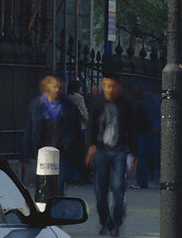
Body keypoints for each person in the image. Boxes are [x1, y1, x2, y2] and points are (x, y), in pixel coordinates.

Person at [85, 70, 143, 237]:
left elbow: (132, 131)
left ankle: (117, 222)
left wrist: (134, 154)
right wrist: (89, 146)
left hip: (119, 151)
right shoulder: (97, 105)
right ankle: (105, 221)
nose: (110, 90)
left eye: (113, 86)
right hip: (101, 150)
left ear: (118, 87)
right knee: (100, 191)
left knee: (118, 189)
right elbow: (91, 127)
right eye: (107, 86)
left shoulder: (127, 105)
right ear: (103, 86)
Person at [23, 74, 81, 185]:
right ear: (46, 87)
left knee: (59, 184)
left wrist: (70, 142)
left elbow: (75, 127)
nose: (58, 90)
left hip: (61, 150)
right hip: (43, 150)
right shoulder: (37, 105)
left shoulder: (69, 105)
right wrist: (24, 155)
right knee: (44, 184)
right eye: (55, 87)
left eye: (60, 87)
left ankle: (57, 201)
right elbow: (29, 129)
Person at [129, 83, 159, 190]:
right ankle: (144, 180)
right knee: (145, 157)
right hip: (146, 132)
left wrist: (155, 126)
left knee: (148, 156)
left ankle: (146, 180)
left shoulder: (145, 100)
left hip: (148, 131)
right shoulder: (144, 100)